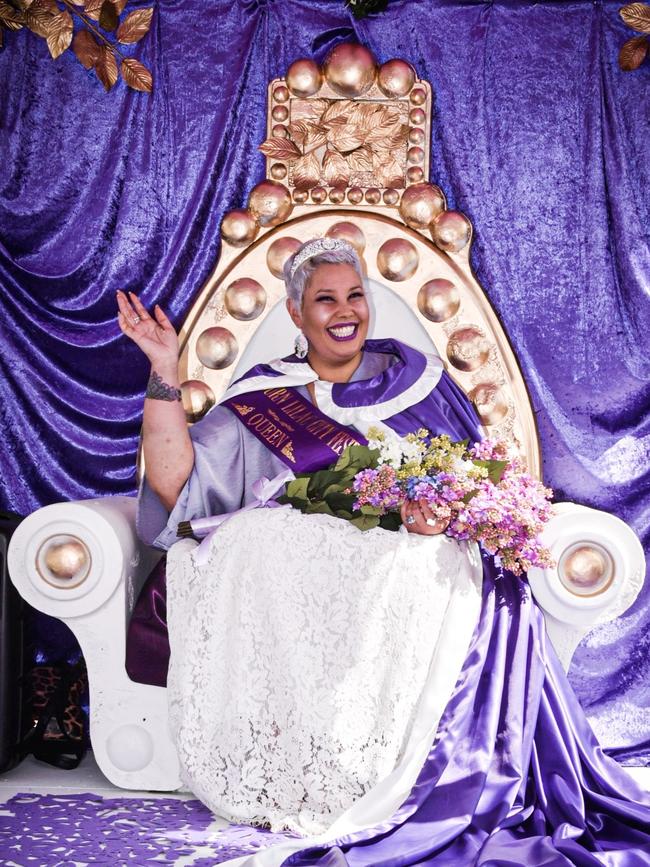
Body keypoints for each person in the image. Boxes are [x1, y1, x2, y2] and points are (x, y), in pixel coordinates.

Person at [118, 238, 650, 866]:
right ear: (295, 313)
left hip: (415, 562)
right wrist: (164, 371)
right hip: (306, 590)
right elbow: (177, 484)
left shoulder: (418, 381)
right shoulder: (264, 397)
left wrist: (442, 511)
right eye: (325, 300)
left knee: (416, 567)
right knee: (259, 541)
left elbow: (471, 479)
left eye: (354, 296)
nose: (345, 311)